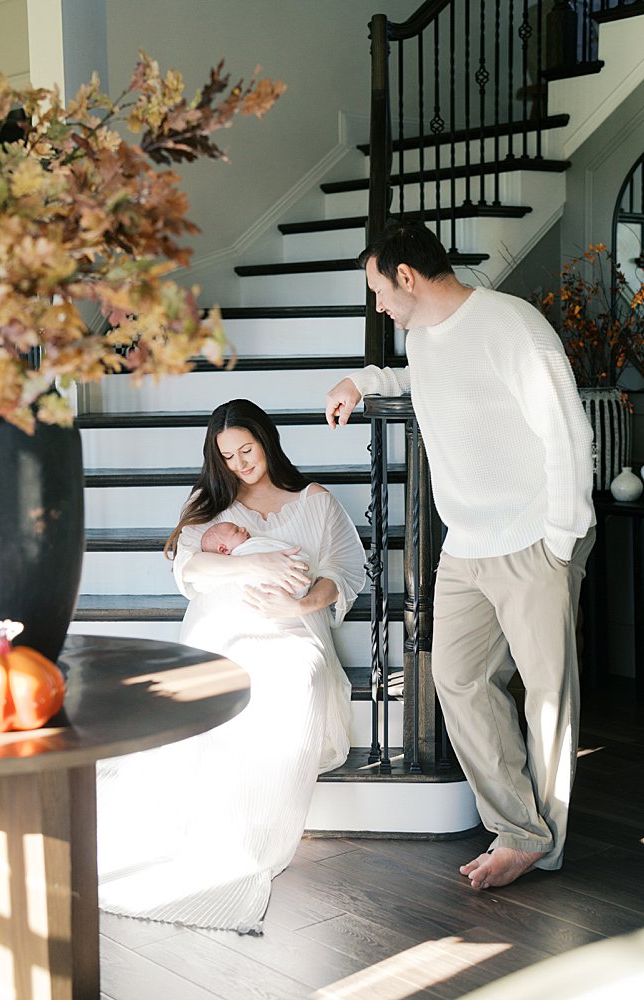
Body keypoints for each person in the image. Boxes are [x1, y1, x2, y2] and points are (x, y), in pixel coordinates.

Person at [325, 220, 596, 891]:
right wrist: (364, 381)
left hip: (536, 538)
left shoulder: (513, 325)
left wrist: (561, 541)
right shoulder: (422, 336)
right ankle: (519, 828)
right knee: (458, 680)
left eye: (379, 291)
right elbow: (429, 380)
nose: (379, 305)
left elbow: (567, 430)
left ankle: (539, 844)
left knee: (548, 701)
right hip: (466, 547)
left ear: (407, 277)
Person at [96, 398, 366, 932]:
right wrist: (257, 562)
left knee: (293, 674)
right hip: (226, 626)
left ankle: (254, 825)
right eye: (228, 456)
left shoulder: (315, 502)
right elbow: (190, 568)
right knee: (224, 674)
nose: (241, 464)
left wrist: (300, 603)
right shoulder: (210, 505)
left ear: (266, 439)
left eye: (247, 449)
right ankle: (213, 818)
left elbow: (343, 571)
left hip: (291, 625)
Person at [201, 520, 312, 597]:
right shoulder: (240, 555)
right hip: (281, 586)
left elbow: (269, 548)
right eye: (236, 531)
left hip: (296, 573)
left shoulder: (252, 544)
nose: (243, 528)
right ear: (224, 550)